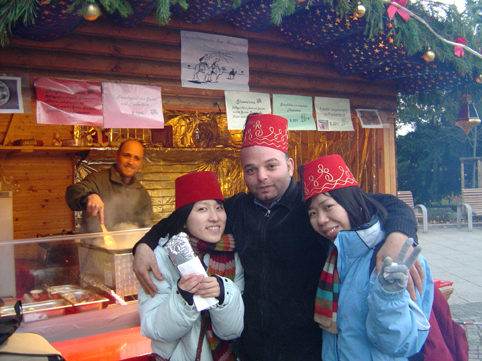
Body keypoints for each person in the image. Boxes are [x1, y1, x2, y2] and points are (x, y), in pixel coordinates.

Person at [133, 114, 421, 361]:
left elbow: (389, 205)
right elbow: (181, 217)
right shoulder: (235, 210)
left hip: (309, 348)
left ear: (290, 165)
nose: (262, 177)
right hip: (251, 348)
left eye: (271, 166)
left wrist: (396, 238)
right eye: (251, 170)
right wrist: (144, 245)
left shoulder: (313, 206)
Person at [300, 154, 434, 361]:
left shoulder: (394, 256)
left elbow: (401, 345)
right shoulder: (332, 257)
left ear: (352, 202)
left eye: (328, 206)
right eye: (312, 213)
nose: (322, 220)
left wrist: (390, 297)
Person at [138, 171, 244, 361]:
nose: (214, 217)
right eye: (202, 209)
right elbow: (153, 327)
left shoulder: (232, 255)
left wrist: (223, 293)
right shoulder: (160, 257)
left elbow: (232, 331)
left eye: (219, 208)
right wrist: (183, 298)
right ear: (184, 220)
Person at [65, 139, 153, 233]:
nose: (130, 162)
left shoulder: (142, 193)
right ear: (117, 156)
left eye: (137, 158)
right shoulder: (98, 180)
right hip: (93, 246)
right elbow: (72, 193)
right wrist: (89, 196)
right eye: (127, 155)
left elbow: (146, 227)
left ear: (141, 163)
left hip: (130, 246)